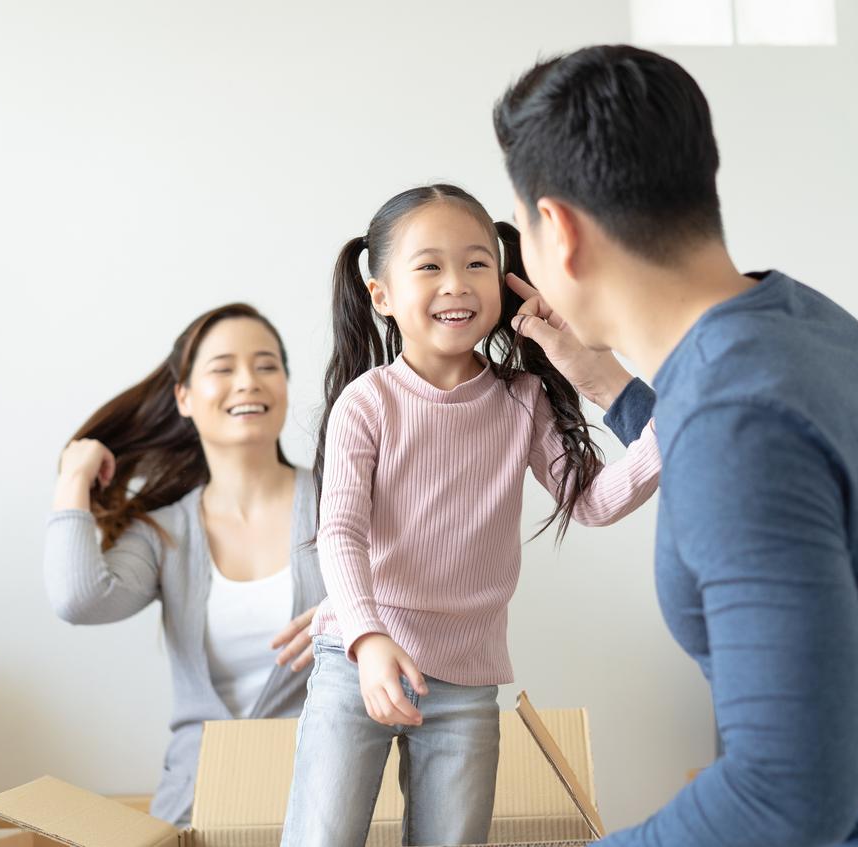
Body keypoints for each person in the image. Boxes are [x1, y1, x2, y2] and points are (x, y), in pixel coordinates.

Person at [494, 44, 858, 846]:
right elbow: (753, 453)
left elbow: (783, 796)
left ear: (558, 229)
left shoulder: (736, 421)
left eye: (518, 228)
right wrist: (608, 386)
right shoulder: (805, 328)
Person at [280, 184, 661, 847]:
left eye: (477, 263)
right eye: (429, 265)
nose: (456, 283)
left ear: (504, 280)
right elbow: (339, 533)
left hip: (466, 678)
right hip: (357, 657)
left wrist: (673, 424)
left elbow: (592, 501)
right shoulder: (367, 402)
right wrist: (367, 639)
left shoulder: (523, 398)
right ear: (381, 295)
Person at [44, 303, 326, 826]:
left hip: (330, 805)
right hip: (196, 811)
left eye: (266, 365)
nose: (248, 381)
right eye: (223, 368)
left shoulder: (344, 501)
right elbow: (78, 600)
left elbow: (425, 610)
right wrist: (73, 477)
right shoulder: (164, 532)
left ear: (285, 385)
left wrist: (354, 616)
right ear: (184, 398)